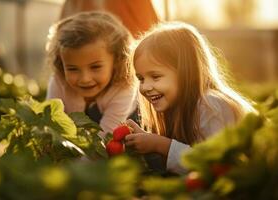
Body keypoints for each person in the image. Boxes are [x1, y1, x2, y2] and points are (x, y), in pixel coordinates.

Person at [125, 21, 256, 174]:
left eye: (155, 76)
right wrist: (147, 139)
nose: (145, 87)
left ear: (187, 72)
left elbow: (214, 166)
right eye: (141, 78)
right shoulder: (177, 108)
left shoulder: (211, 105)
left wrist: (161, 145)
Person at [45, 11, 138, 137]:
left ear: (117, 60)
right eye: (72, 69)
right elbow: (51, 126)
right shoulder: (58, 81)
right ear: (61, 63)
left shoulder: (124, 87)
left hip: (123, 124)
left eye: (95, 67)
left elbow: (106, 138)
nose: (85, 79)